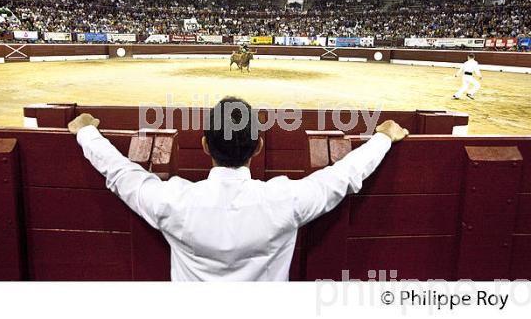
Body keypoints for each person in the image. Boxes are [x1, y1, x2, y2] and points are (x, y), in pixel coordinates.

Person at [67, 96, 409, 281]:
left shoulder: (174, 201)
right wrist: (382, 138)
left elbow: (122, 175)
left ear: (203, 145)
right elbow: (343, 176)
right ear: (259, 147)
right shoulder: (283, 201)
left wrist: (86, 132)